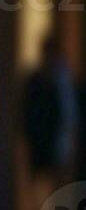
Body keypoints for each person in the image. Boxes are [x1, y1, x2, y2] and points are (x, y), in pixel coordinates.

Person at [21, 35, 78, 193]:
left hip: (57, 143)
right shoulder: (37, 81)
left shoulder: (63, 80)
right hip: (41, 143)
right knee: (41, 186)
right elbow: (28, 114)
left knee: (57, 185)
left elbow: (69, 114)